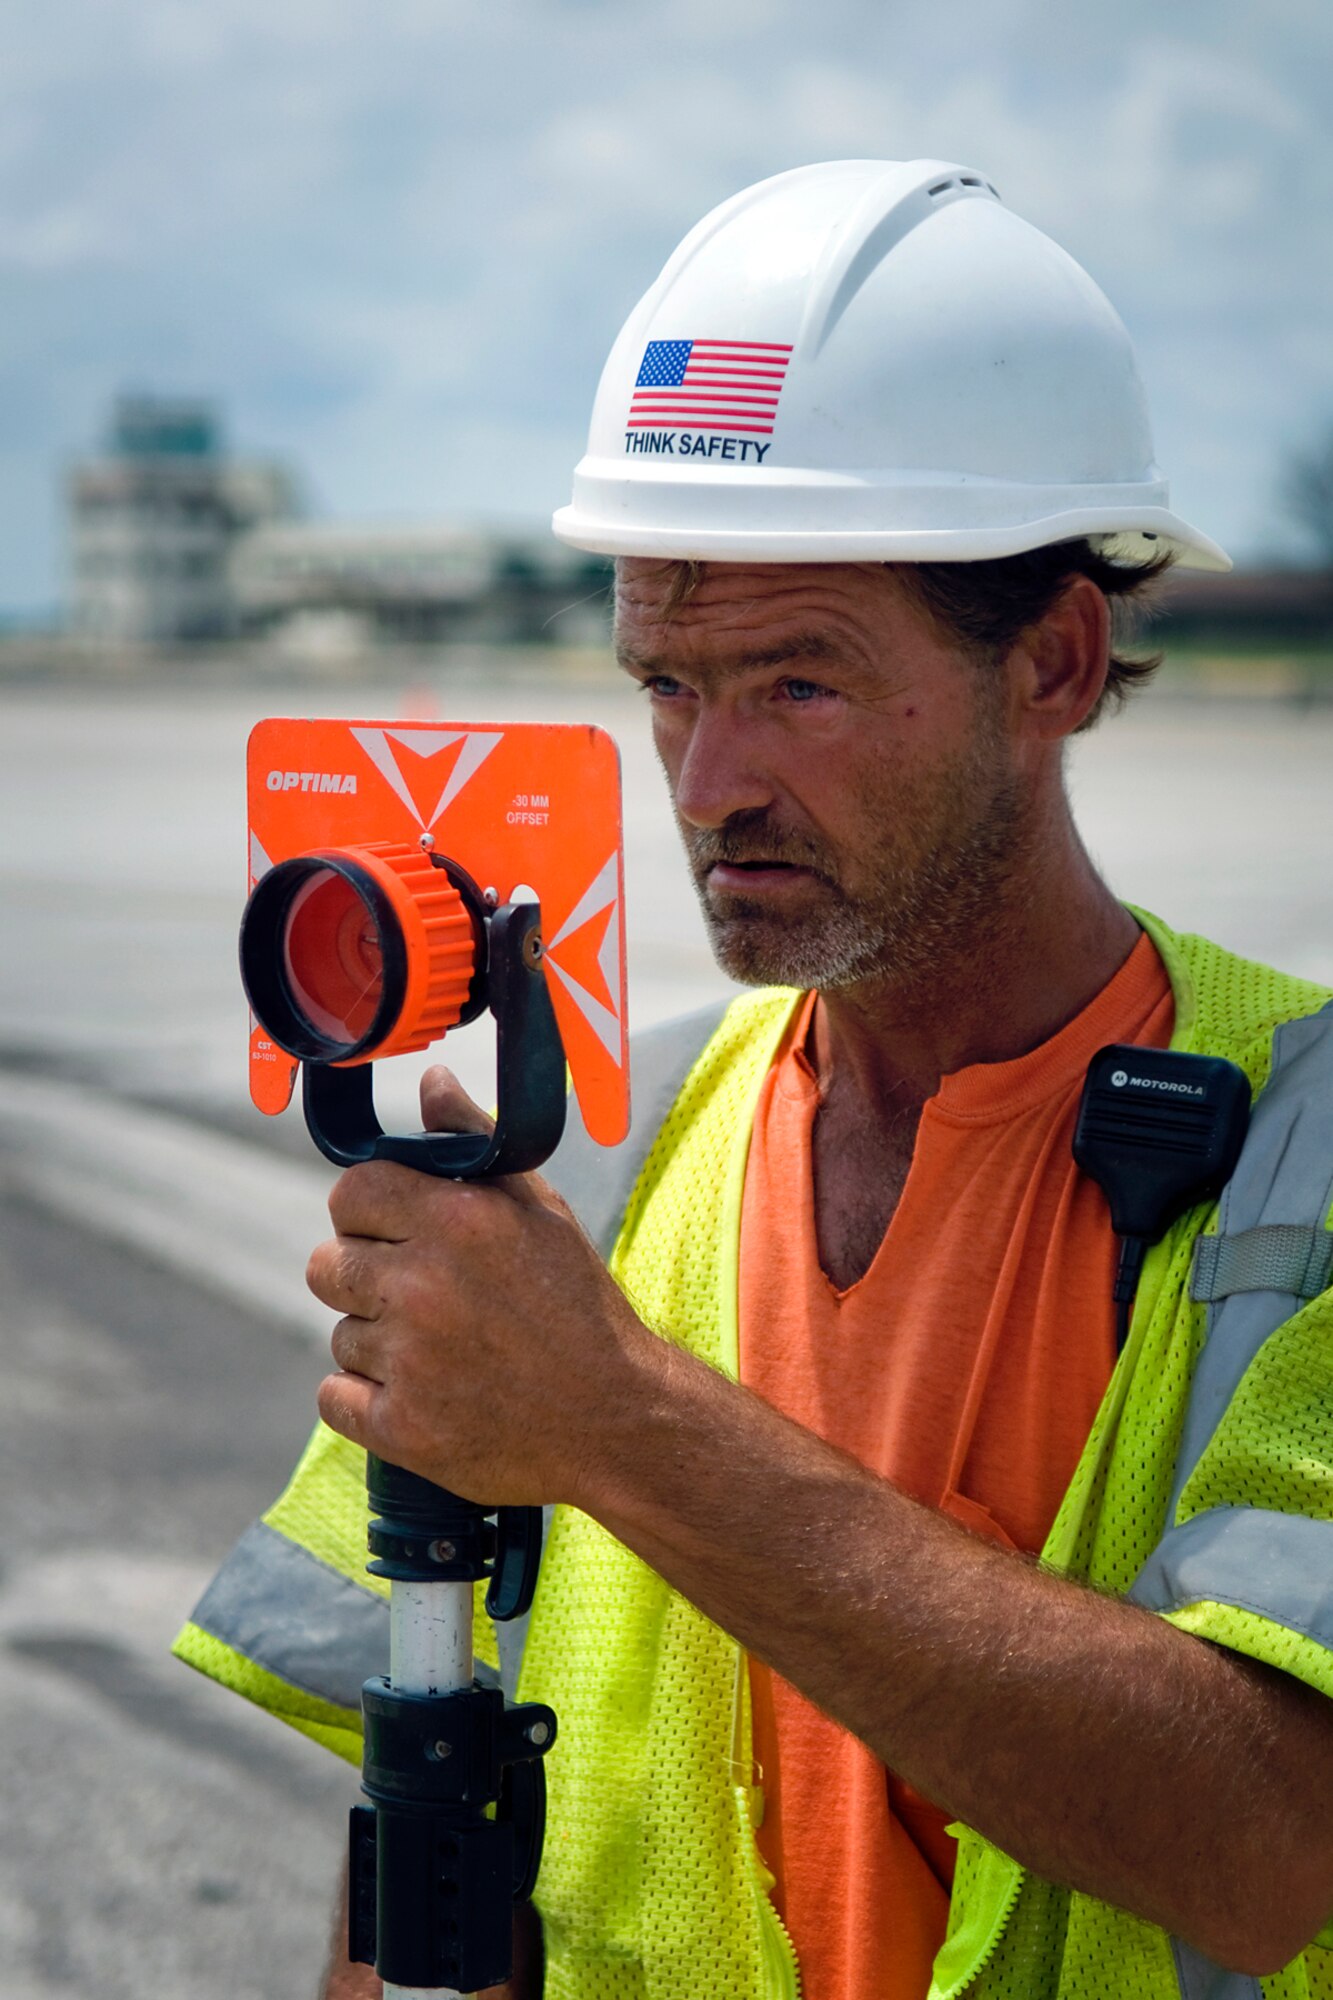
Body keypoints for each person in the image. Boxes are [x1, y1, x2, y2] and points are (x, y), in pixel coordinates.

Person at [176, 160, 1333, 2000]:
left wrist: (614, 1417)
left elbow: (1269, 1849)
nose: (707, 780)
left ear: (1051, 658)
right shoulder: (645, 1148)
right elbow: (424, 1784)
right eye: (665, 680)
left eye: (797, 682)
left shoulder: (1304, 1154)